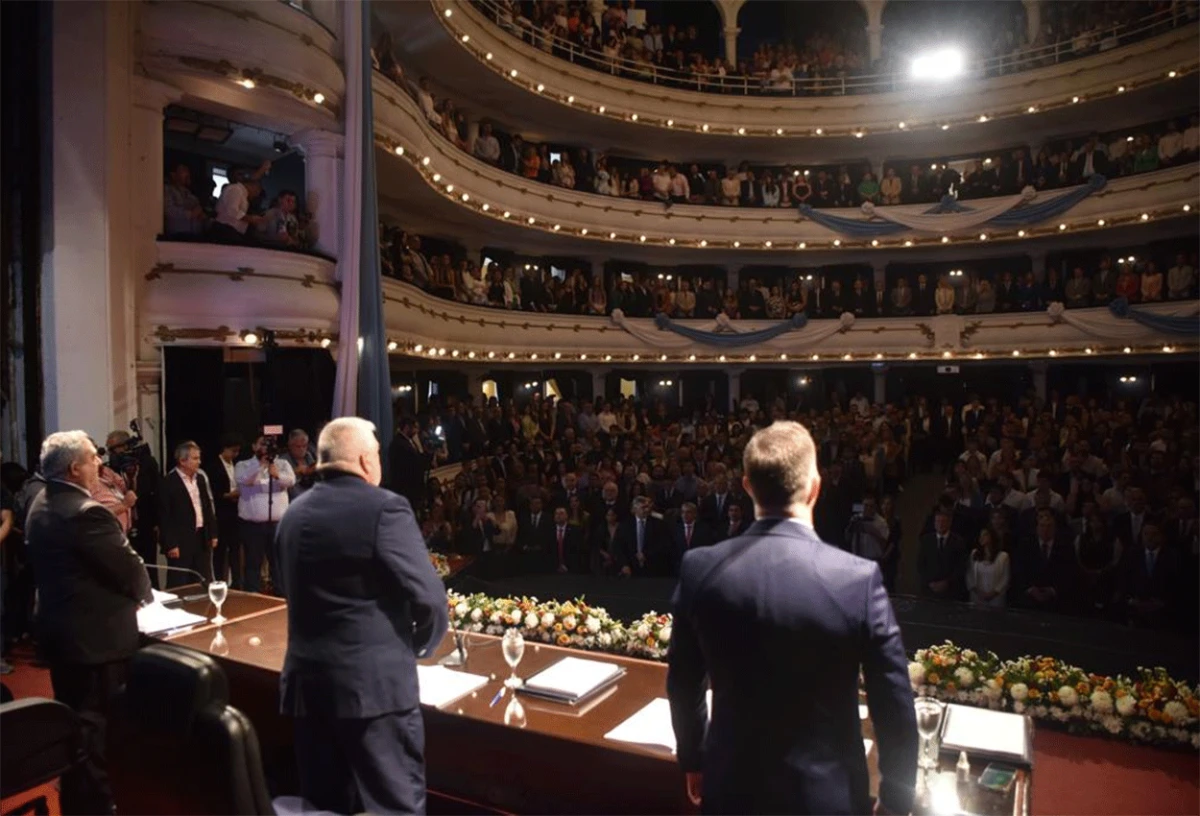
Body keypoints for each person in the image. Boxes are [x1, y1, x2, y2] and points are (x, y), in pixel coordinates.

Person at [667, 421, 917, 815]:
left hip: (732, 788)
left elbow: (683, 681)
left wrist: (693, 760)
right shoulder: (858, 580)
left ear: (747, 486)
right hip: (827, 797)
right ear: (816, 487)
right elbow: (895, 704)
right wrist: (898, 797)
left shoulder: (700, 568)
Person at [277, 417, 448, 814]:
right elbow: (430, 599)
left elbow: (287, 587)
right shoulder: (385, 508)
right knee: (395, 807)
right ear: (364, 460)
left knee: (326, 808)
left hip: (308, 690)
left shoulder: (293, 514)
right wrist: (416, 647)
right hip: (374, 694)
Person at [26, 431, 153, 815]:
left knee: (76, 728)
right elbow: (131, 572)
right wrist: (141, 590)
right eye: (92, 457)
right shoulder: (88, 513)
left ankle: (79, 802)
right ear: (74, 467)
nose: (100, 462)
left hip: (63, 636)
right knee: (96, 733)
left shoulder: (40, 504)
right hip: (97, 642)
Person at [235, 436, 295, 595]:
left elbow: (291, 481)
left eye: (269, 444)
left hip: (277, 524)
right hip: (253, 525)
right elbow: (246, 480)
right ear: (254, 446)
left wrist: (276, 475)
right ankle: (252, 596)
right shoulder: (243, 465)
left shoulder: (282, 464)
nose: (266, 447)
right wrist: (260, 464)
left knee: (278, 562)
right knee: (253, 562)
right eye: (262, 444)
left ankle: (281, 595)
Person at [158, 441, 219, 587]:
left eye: (199, 458)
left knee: (202, 578)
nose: (199, 462)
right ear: (182, 460)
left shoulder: (201, 479)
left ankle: (202, 608)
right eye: (195, 458)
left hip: (201, 536)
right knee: (179, 580)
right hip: (180, 540)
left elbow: (207, 507)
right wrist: (171, 544)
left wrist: (213, 533)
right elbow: (164, 516)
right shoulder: (168, 482)